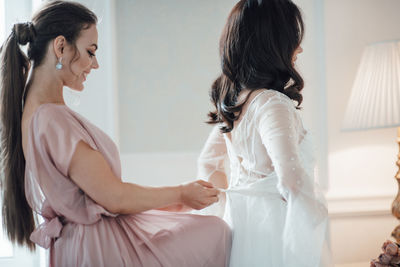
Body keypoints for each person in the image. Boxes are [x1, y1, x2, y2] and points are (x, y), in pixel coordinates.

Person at [0, 1, 231, 266]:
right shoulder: (51, 119)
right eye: (90, 51)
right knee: (215, 232)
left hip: (80, 246)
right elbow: (113, 196)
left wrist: (181, 198)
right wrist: (181, 194)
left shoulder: (34, 112)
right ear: (61, 47)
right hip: (97, 247)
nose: (94, 64)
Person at [197, 0, 331, 266]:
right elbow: (291, 179)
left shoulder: (236, 103)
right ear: (275, 44)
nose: (300, 48)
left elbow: (207, 164)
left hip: (243, 232)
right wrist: (317, 215)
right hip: (275, 232)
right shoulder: (272, 103)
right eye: (294, 38)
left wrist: (234, 204)